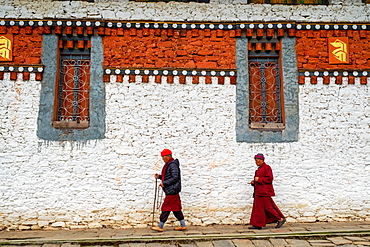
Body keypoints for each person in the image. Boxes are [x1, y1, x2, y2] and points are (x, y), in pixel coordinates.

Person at [151, 149, 187, 232]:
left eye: (163, 157)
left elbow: (175, 177)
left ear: (167, 157)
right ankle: (183, 225)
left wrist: (165, 183)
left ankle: (160, 225)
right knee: (176, 208)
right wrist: (160, 176)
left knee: (166, 208)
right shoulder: (170, 164)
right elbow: (168, 176)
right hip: (172, 190)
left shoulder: (172, 165)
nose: (163, 159)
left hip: (172, 190)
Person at [248, 153, 286, 230]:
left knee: (268, 207)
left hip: (264, 192)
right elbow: (259, 180)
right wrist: (254, 182)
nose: (256, 162)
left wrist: (259, 179)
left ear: (262, 160)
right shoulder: (258, 169)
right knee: (257, 209)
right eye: (255, 161)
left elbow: (269, 179)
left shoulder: (267, 168)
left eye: (257, 161)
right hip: (258, 192)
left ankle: (280, 219)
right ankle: (257, 224)